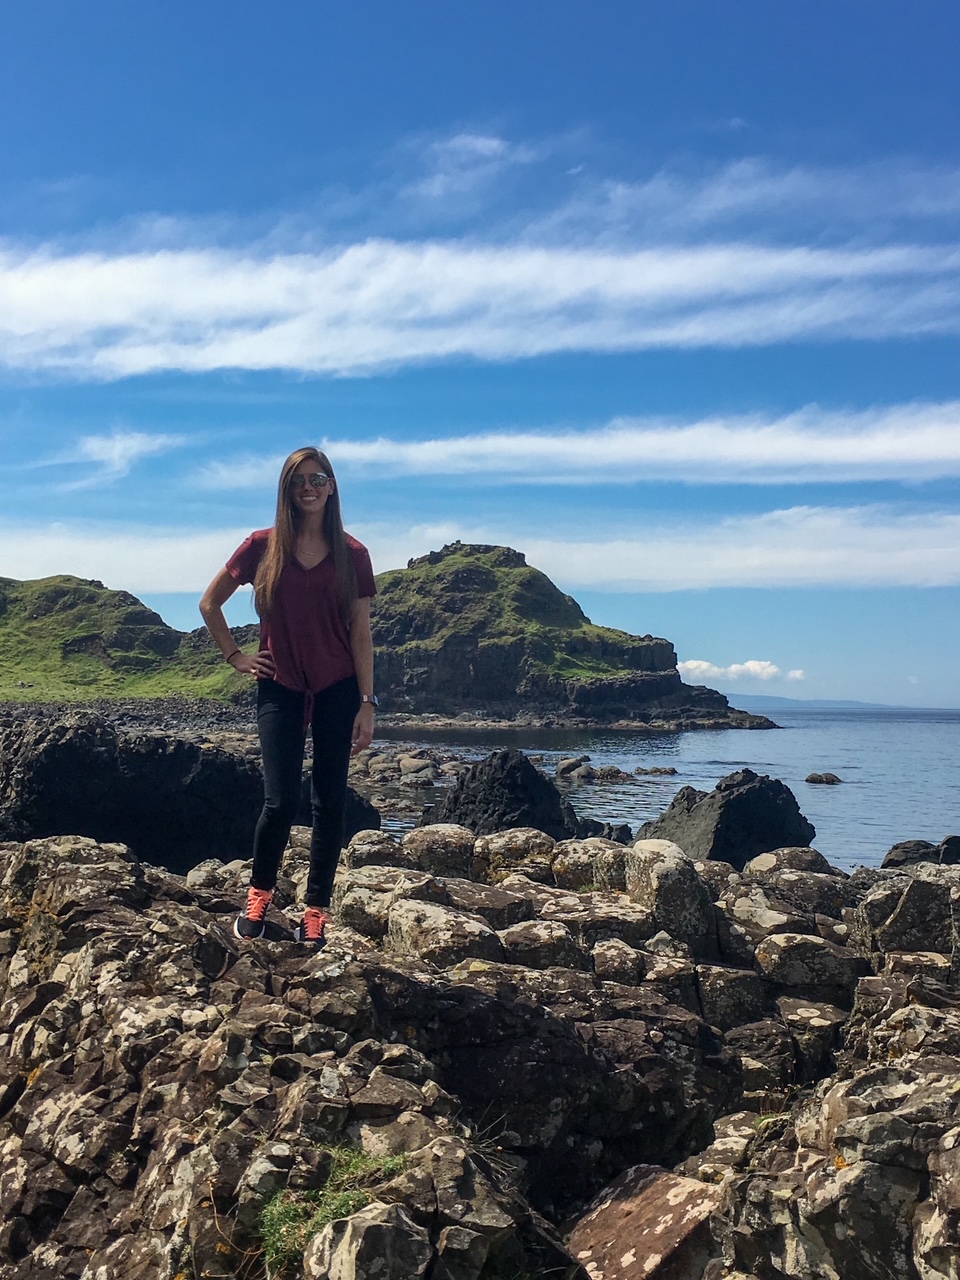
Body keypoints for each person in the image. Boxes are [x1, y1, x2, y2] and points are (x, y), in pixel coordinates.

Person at [199, 446, 377, 949]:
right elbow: (210, 603)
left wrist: (367, 702)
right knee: (279, 801)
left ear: (332, 486)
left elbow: (361, 632)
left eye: (319, 478)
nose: (310, 486)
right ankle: (259, 896)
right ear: (287, 488)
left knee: (329, 804)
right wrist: (235, 656)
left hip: (338, 687)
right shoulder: (261, 545)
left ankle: (315, 912)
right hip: (279, 685)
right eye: (300, 479)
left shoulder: (353, 554)